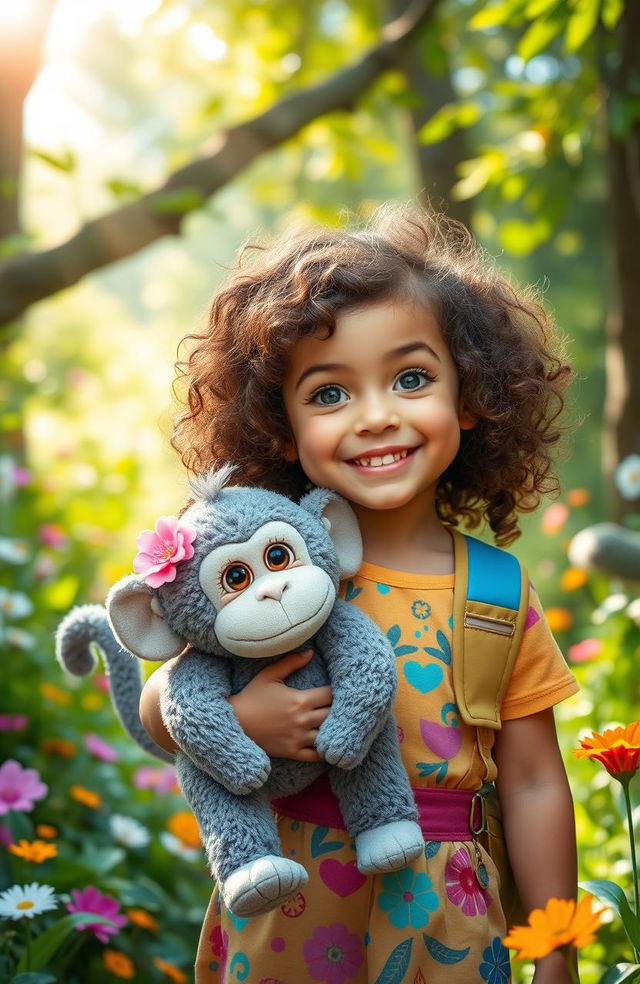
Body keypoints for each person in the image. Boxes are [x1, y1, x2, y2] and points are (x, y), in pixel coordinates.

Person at [140, 203, 580, 983]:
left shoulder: (496, 591)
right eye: (329, 394)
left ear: (470, 394)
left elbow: (537, 780)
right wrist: (237, 721)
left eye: (411, 379)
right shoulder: (260, 567)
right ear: (281, 427)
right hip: (288, 914)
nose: (377, 417)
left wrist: (554, 951)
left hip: (443, 919)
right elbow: (164, 698)